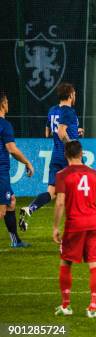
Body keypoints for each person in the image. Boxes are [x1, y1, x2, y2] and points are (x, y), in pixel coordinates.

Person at [53, 141, 96, 318]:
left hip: (74, 225)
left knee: (66, 262)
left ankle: (66, 305)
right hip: (93, 224)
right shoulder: (94, 174)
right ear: (81, 153)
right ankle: (93, 307)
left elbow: (60, 202)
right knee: (94, 264)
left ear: (65, 155)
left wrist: (55, 226)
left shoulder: (62, 174)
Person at [20, 83, 83, 230]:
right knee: (81, 191)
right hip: (70, 158)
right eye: (74, 94)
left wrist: (75, 131)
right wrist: (72, 144)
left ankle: (30, 209)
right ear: (70, 95)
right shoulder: (69, 111)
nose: (75, 96)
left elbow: (48, 132)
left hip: (56, 157)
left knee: (52, 192)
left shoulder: (52, 110)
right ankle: (78, 227)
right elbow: (61, 132)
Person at [0, 91, 34, 247]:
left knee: (11, 202)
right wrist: (27, 162)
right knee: (1, 209)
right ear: (2, 103)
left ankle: (15, 240)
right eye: (6, 101)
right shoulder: (4, 125)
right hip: (1, 172)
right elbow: (12, 149)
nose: (8, 104)